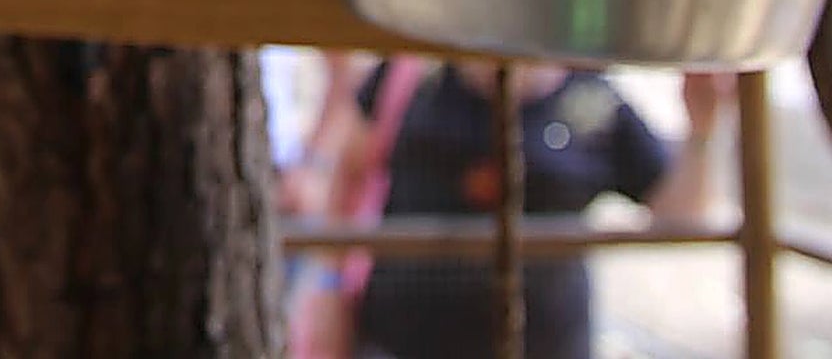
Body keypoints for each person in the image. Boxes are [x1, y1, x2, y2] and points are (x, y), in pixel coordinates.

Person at [293, 58, 729, 359]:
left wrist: (703, 127)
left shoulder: (593, 105)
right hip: (397, 342)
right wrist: (329, 284)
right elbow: (348, 169)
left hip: (544, 347)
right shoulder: (413, 75)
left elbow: (678, 217)